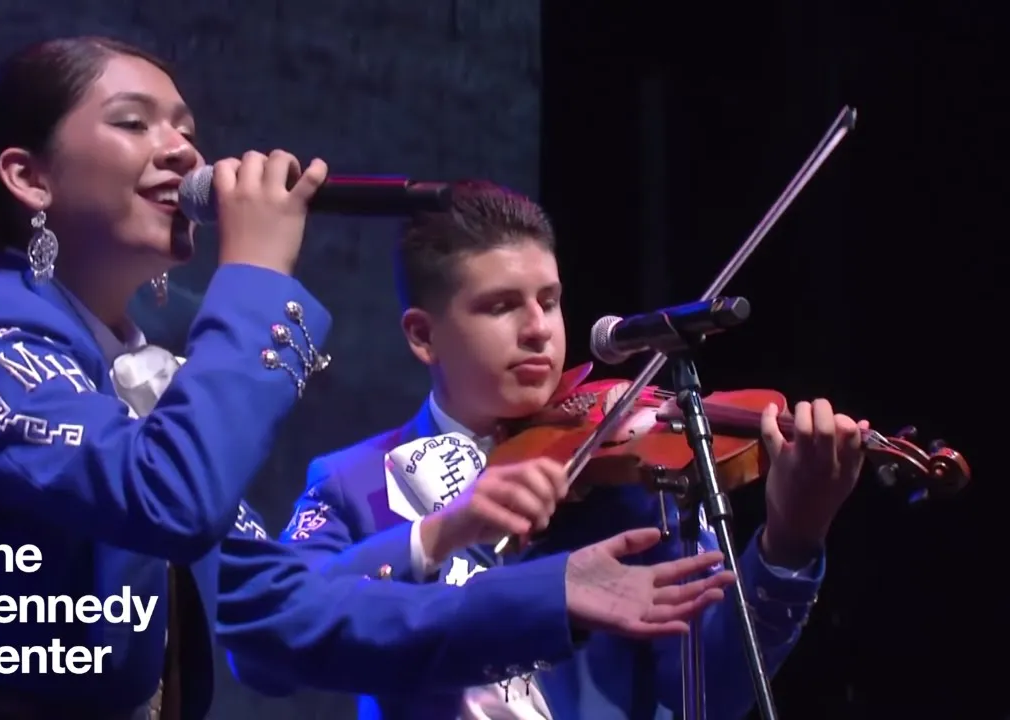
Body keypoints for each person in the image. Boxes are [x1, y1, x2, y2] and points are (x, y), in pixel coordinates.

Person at [0, 38, 735, 720]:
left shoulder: (138, 377)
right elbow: (165, 498)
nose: (183, 152)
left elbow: (276, 608)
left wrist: (549, 593)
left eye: (187, 129)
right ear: (28, 177)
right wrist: (254, 276)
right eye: (135, 124)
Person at [249, 181, 869, 719]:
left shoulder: (635, 478)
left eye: (549, 300)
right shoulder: (356, 483)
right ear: (423, 335)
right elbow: (265, 646)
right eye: (500, 307)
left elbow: (711, 688)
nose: (539, 329)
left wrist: (790, 541)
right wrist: (437, 534)